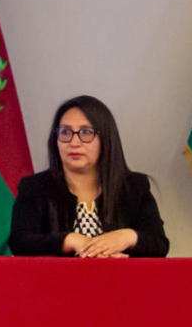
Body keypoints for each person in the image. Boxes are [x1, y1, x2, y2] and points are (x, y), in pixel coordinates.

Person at [9, 95, 169, 257]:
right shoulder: (34, 187)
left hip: (121, 281)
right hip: (55, 281)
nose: (74, 142)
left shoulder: (134, 186)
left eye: (86, 132)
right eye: (65, 132)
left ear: (105, 139)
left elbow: (159, 245)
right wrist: (68, 240)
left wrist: (128, 237)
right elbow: (20, 243)